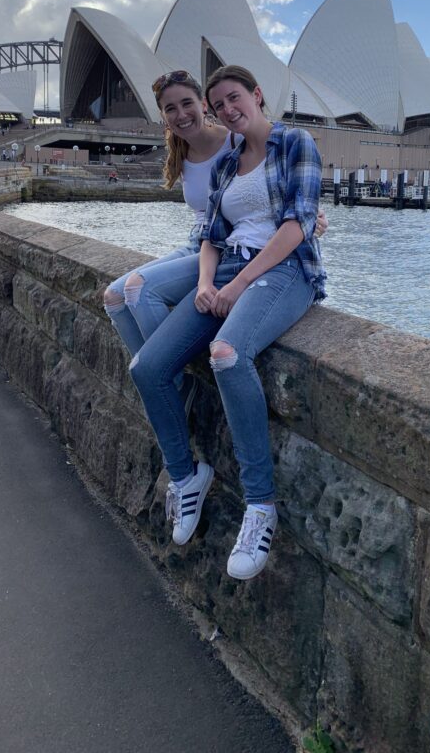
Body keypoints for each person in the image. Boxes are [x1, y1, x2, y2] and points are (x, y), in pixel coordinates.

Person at [129, 66, 326, 581]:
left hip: (285, 270)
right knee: (148, 368)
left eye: (234, 98)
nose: (227, 109)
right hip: (229, 268)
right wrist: (205, 283)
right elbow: (212, 235)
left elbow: (296, 226)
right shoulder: (227, 163)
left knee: (227, 354)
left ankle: (260, 505)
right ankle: (185, 477)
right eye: (219, 105)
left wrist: (237, 288)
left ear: (257, 96)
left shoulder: (295, 143)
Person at [103, 69, 235, 389]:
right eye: (170, 109)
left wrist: (309, 212)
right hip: (196, 244)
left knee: (138, 289)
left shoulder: (235, 140)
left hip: (226, 246)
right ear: (163, 116)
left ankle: (170, 375)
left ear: (204, 104)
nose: (181, 114)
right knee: (113, 297)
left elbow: (276, 172)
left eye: (187, 103)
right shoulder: (180, 151)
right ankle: (169, 382)